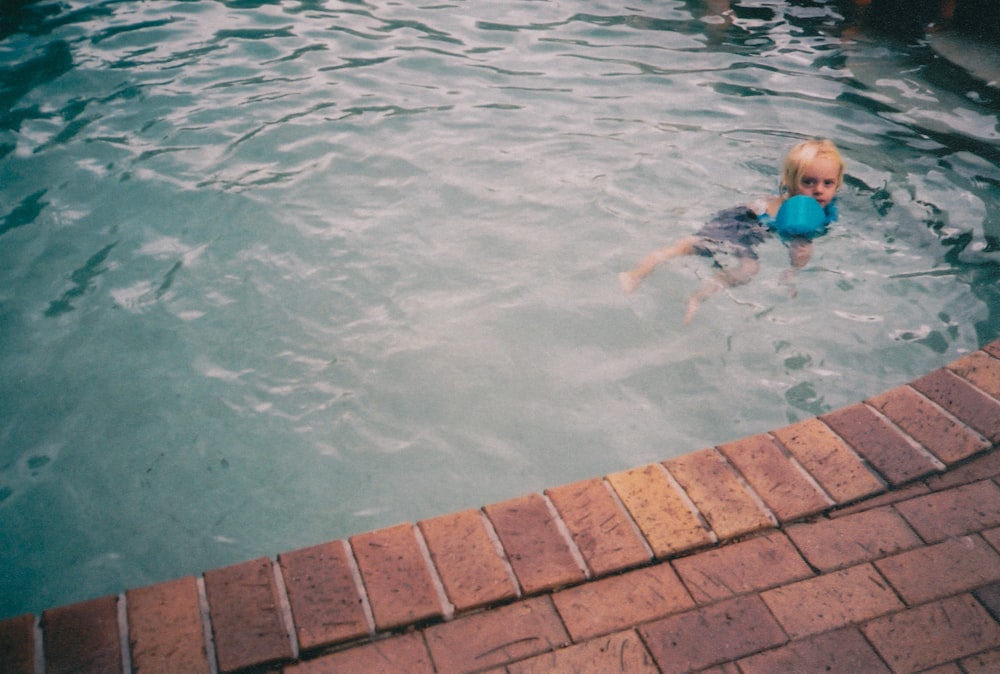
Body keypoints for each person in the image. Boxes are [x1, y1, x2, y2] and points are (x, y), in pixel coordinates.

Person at [619, 139, 845, 323]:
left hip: (750, 224)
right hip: (742, 221)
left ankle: (696, 297)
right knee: (734, 263)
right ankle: (635, 275)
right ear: (790, 182)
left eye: (828, 183)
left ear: (838, 184)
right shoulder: (798, 212)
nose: (818, 190)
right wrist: (794, 269)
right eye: (808, 182)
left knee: (705, 253)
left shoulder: (822, 211)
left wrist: (792, 272)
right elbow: (799, 246)